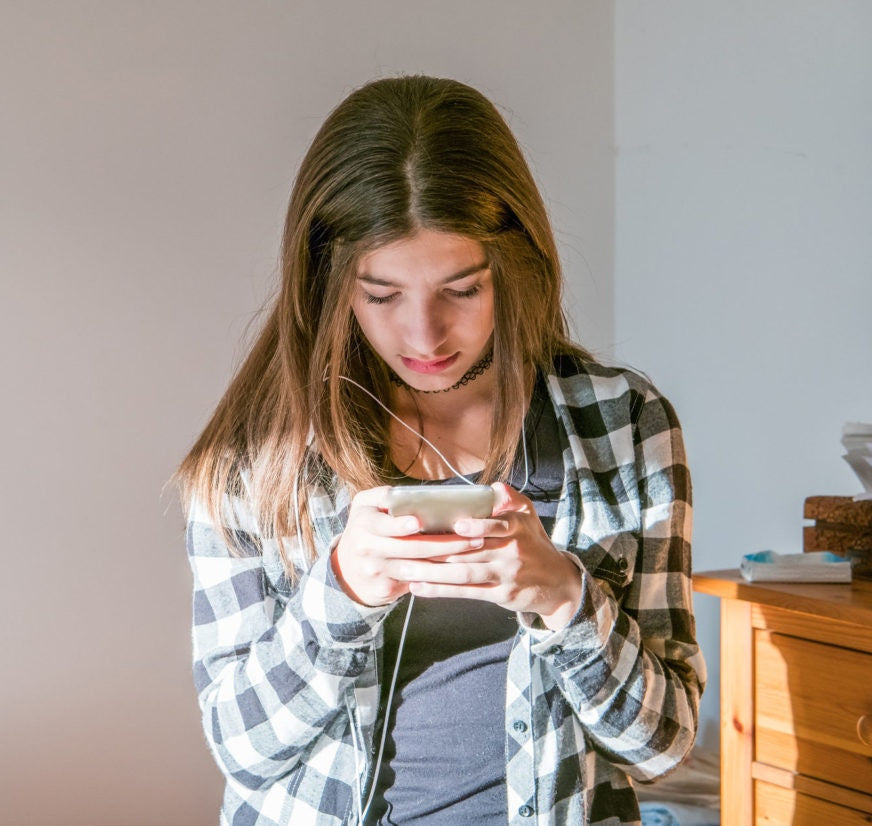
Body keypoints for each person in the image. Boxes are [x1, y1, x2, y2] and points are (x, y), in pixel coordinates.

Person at [175, 75, 704, 826]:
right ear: (330, 282)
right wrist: (343, 590)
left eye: (462, 289)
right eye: (382, 295)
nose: (425, 337)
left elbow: (663, 746)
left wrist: (564, 595)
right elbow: (243, 751)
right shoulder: (252, 461)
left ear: (514, 265)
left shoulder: (624, 426)